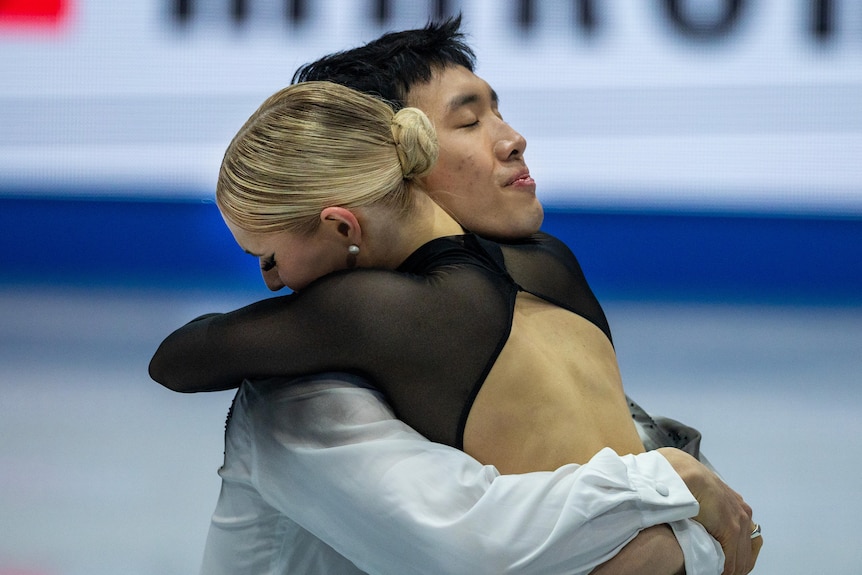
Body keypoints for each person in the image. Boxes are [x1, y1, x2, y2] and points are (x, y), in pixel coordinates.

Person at [150, 78, 759, 574]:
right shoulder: (547, 262)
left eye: (269, 257)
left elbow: (178, 359)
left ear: (343, 228)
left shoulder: (368, 313)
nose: (273, 284)